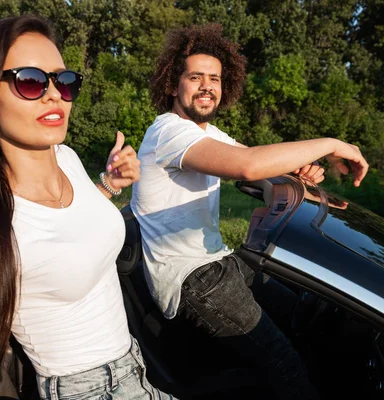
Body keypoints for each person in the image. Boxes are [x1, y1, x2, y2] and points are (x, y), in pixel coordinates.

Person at [0, 15, 174, 400]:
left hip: (137, 367)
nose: (54, 94)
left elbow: (60, 227)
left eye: (63, 80)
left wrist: (108, 185)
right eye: (29, 80)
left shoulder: (67, 158)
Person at [130, 24, 369, 400]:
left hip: (219, 262)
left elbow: (265, 167)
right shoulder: (170, 132)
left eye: (215, 79)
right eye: (195, 77)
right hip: (193, 278)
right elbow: (248, 166)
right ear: (172, 85)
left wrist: (303, 177)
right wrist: (331, 144)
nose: (207, 86)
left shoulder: (207, 134)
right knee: (285, 365)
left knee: (308, 317)